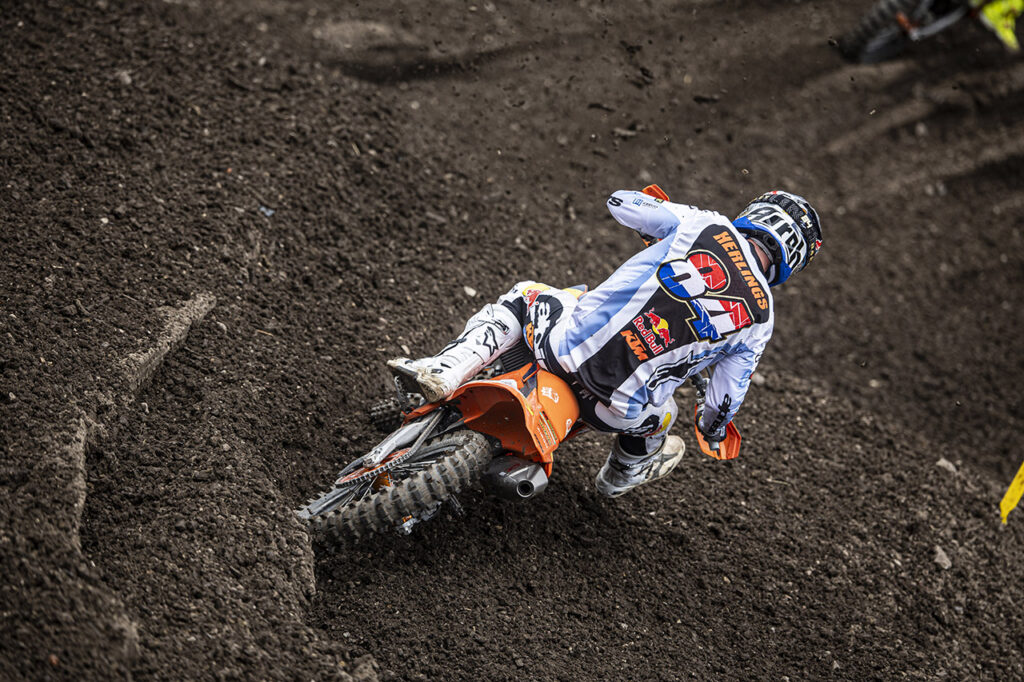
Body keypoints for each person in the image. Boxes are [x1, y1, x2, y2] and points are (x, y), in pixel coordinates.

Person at [389, 188, 822, 497]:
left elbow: (620, 202)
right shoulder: (761, 320)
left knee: (524, 295)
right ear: (793, 260)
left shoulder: (705, 224)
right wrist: (712, 430)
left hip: (561, 350)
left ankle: (446, 370)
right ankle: (618, 478)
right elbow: (722, 404)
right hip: (611, 410)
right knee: (663, 414)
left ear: (757, 212)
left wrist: (659, 213)